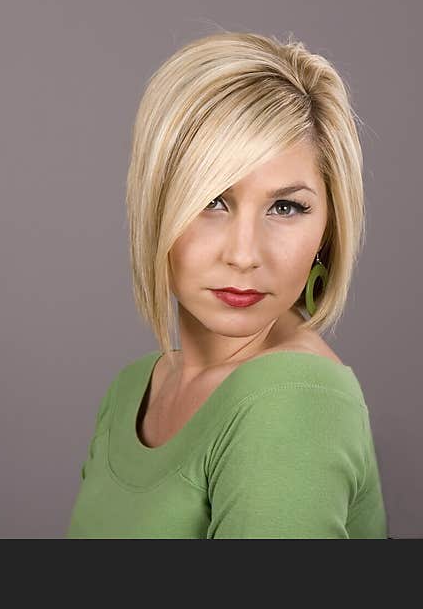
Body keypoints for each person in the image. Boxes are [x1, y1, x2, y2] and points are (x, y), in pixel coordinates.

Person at [65, 31, 389, 538]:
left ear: (327, 229)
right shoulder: (132, 391)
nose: (243, 254)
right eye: (213, 200)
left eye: (286, 207)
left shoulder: (294, 400)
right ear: (156, 208)